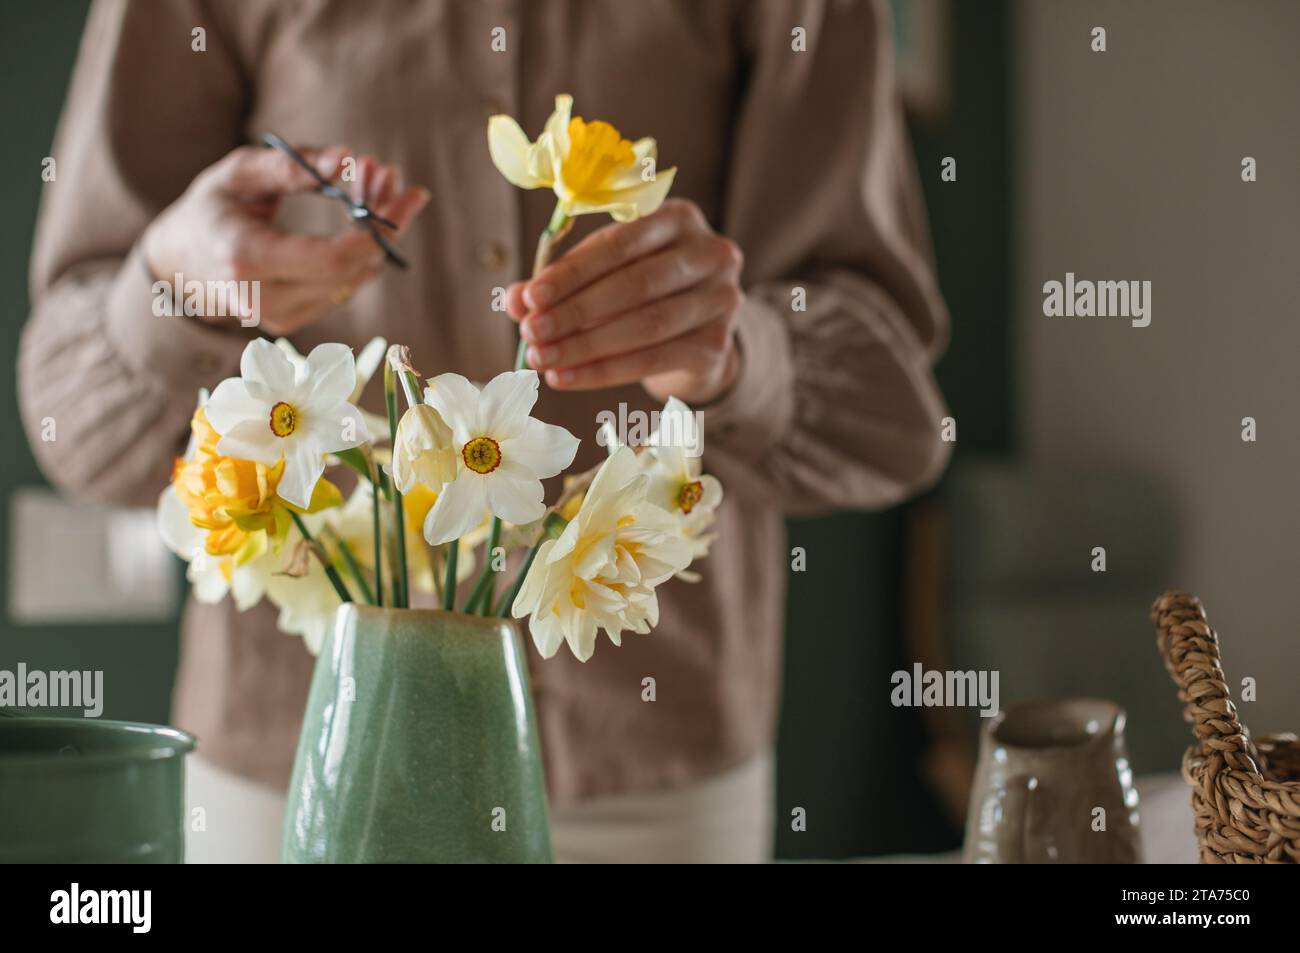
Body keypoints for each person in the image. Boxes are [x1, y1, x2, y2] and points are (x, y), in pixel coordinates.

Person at [18, 0, 950, 863]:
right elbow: (72, 423)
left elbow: (899, 421)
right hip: (306, 762)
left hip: (647, 782)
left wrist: (734, 349)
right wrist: (184, 289)